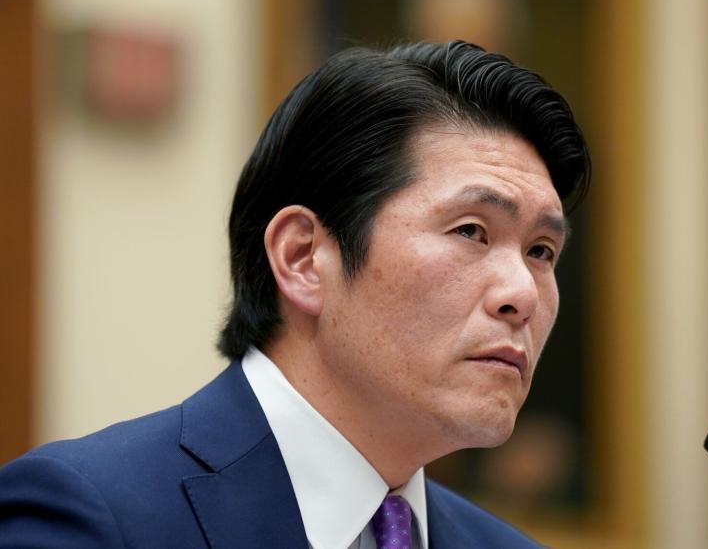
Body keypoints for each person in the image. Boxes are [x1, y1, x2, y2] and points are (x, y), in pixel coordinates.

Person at [0, 40, 590, 548]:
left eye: (541, 251)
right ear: (303, 257)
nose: (523, 294)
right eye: (471, 231)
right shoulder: (91, 516)